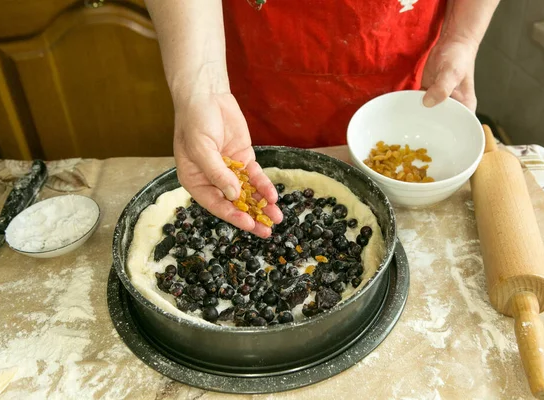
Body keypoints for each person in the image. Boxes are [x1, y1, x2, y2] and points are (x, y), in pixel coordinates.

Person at [144, 0, 499, 237]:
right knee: (242, 174)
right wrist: (203, 90)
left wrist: (461, 37)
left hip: (393, 55)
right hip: (249, 79)